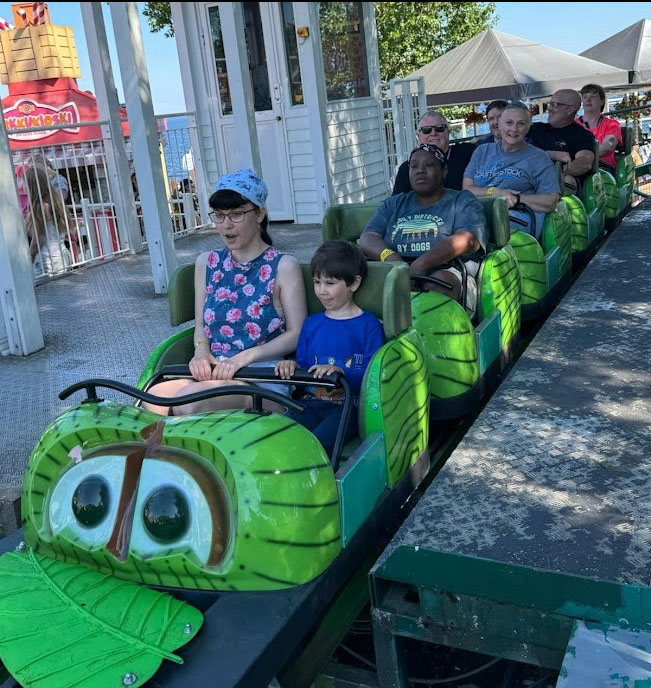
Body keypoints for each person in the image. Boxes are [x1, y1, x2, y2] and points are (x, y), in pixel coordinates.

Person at [144, 168, 307, 416]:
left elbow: (296, 334)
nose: (226, 225)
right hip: (214, 372)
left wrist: (241, 359)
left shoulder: (283, 266)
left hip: (262, 380)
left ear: (260, 214)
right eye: (219, 216)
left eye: (237, 214)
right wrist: (201, 352)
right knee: (154, 397)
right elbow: (201, 325)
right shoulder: (206, 263)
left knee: (191, 400)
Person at [275, 241, 384, 458]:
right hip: (311, 403)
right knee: (279, 434)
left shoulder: (369, 325)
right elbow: (304, 366)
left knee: (317, 443)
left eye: (330, 283)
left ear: (354, 283)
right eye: (317, 282)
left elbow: (374, 376)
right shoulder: (311, 324)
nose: (321, 291)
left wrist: (342, 372)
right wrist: (291, 366)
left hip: (349, 407)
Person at [361, 144, 486, 311]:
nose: (420, 170)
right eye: (414, 166)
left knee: (438, 284)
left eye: (429, 165)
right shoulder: (395, 203)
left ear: (444, 171)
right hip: (396, 270)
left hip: (447, 271)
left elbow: (468, 239)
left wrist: (420, 265)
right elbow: (368, 237)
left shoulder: (462, 200)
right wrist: (393, 260)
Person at [463, 101, 560, 239]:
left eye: (521, 124)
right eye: (509, 123)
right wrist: (496, 193)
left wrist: (517, 199)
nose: (514, 129)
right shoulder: (482, 151)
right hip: (478, 212)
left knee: (478, 225)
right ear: (499, 125)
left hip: (517, 215)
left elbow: (551, 201)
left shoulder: (539, 157)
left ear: (528, 127)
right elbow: (467, 189)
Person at [527, 89, 595, 195]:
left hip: (557, 187)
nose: (549, 109)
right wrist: (549, 155)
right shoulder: (534, 129)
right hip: (525, 178)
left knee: (568, 180)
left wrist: (554, 173)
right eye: (549, 104)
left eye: (554, 105)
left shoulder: (582, 135)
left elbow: (584, 162)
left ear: (569, 109)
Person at [392, 110, 476, 193]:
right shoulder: (408, 168)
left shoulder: (468, 153)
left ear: (448, 132)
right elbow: (397, 200)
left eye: (439, 128)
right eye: (426, 130)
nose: (433, 133)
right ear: (418, 136)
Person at [24, 166, 73, 277]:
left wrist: (29, 257)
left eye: (25, 182)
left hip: (47, 261)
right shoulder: (55, 201)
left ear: (31, 185)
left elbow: (39, 238)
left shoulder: (40, 206)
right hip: (62, 256)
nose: (23, 186)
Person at [576, 83, 623, 175]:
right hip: (577, 166)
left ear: (602, 101)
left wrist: (583, 158)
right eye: (585, 97)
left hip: (603, 168)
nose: (588, 100)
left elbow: (608, 146)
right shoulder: (573, 124)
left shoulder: (611, 124)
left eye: (593, 96)